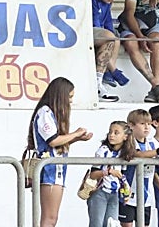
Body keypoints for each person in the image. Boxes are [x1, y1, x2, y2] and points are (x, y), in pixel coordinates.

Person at [28, 77, 92, 227]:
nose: (70, 101)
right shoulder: (45, 112)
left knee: (52, 218)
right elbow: (52, 140)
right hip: (49, 171)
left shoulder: (52, 113)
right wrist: (75, 133)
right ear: (60, 95)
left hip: (57, 170)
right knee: (49, 218)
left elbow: (57, 143)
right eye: (69, 97)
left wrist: (77, 139)